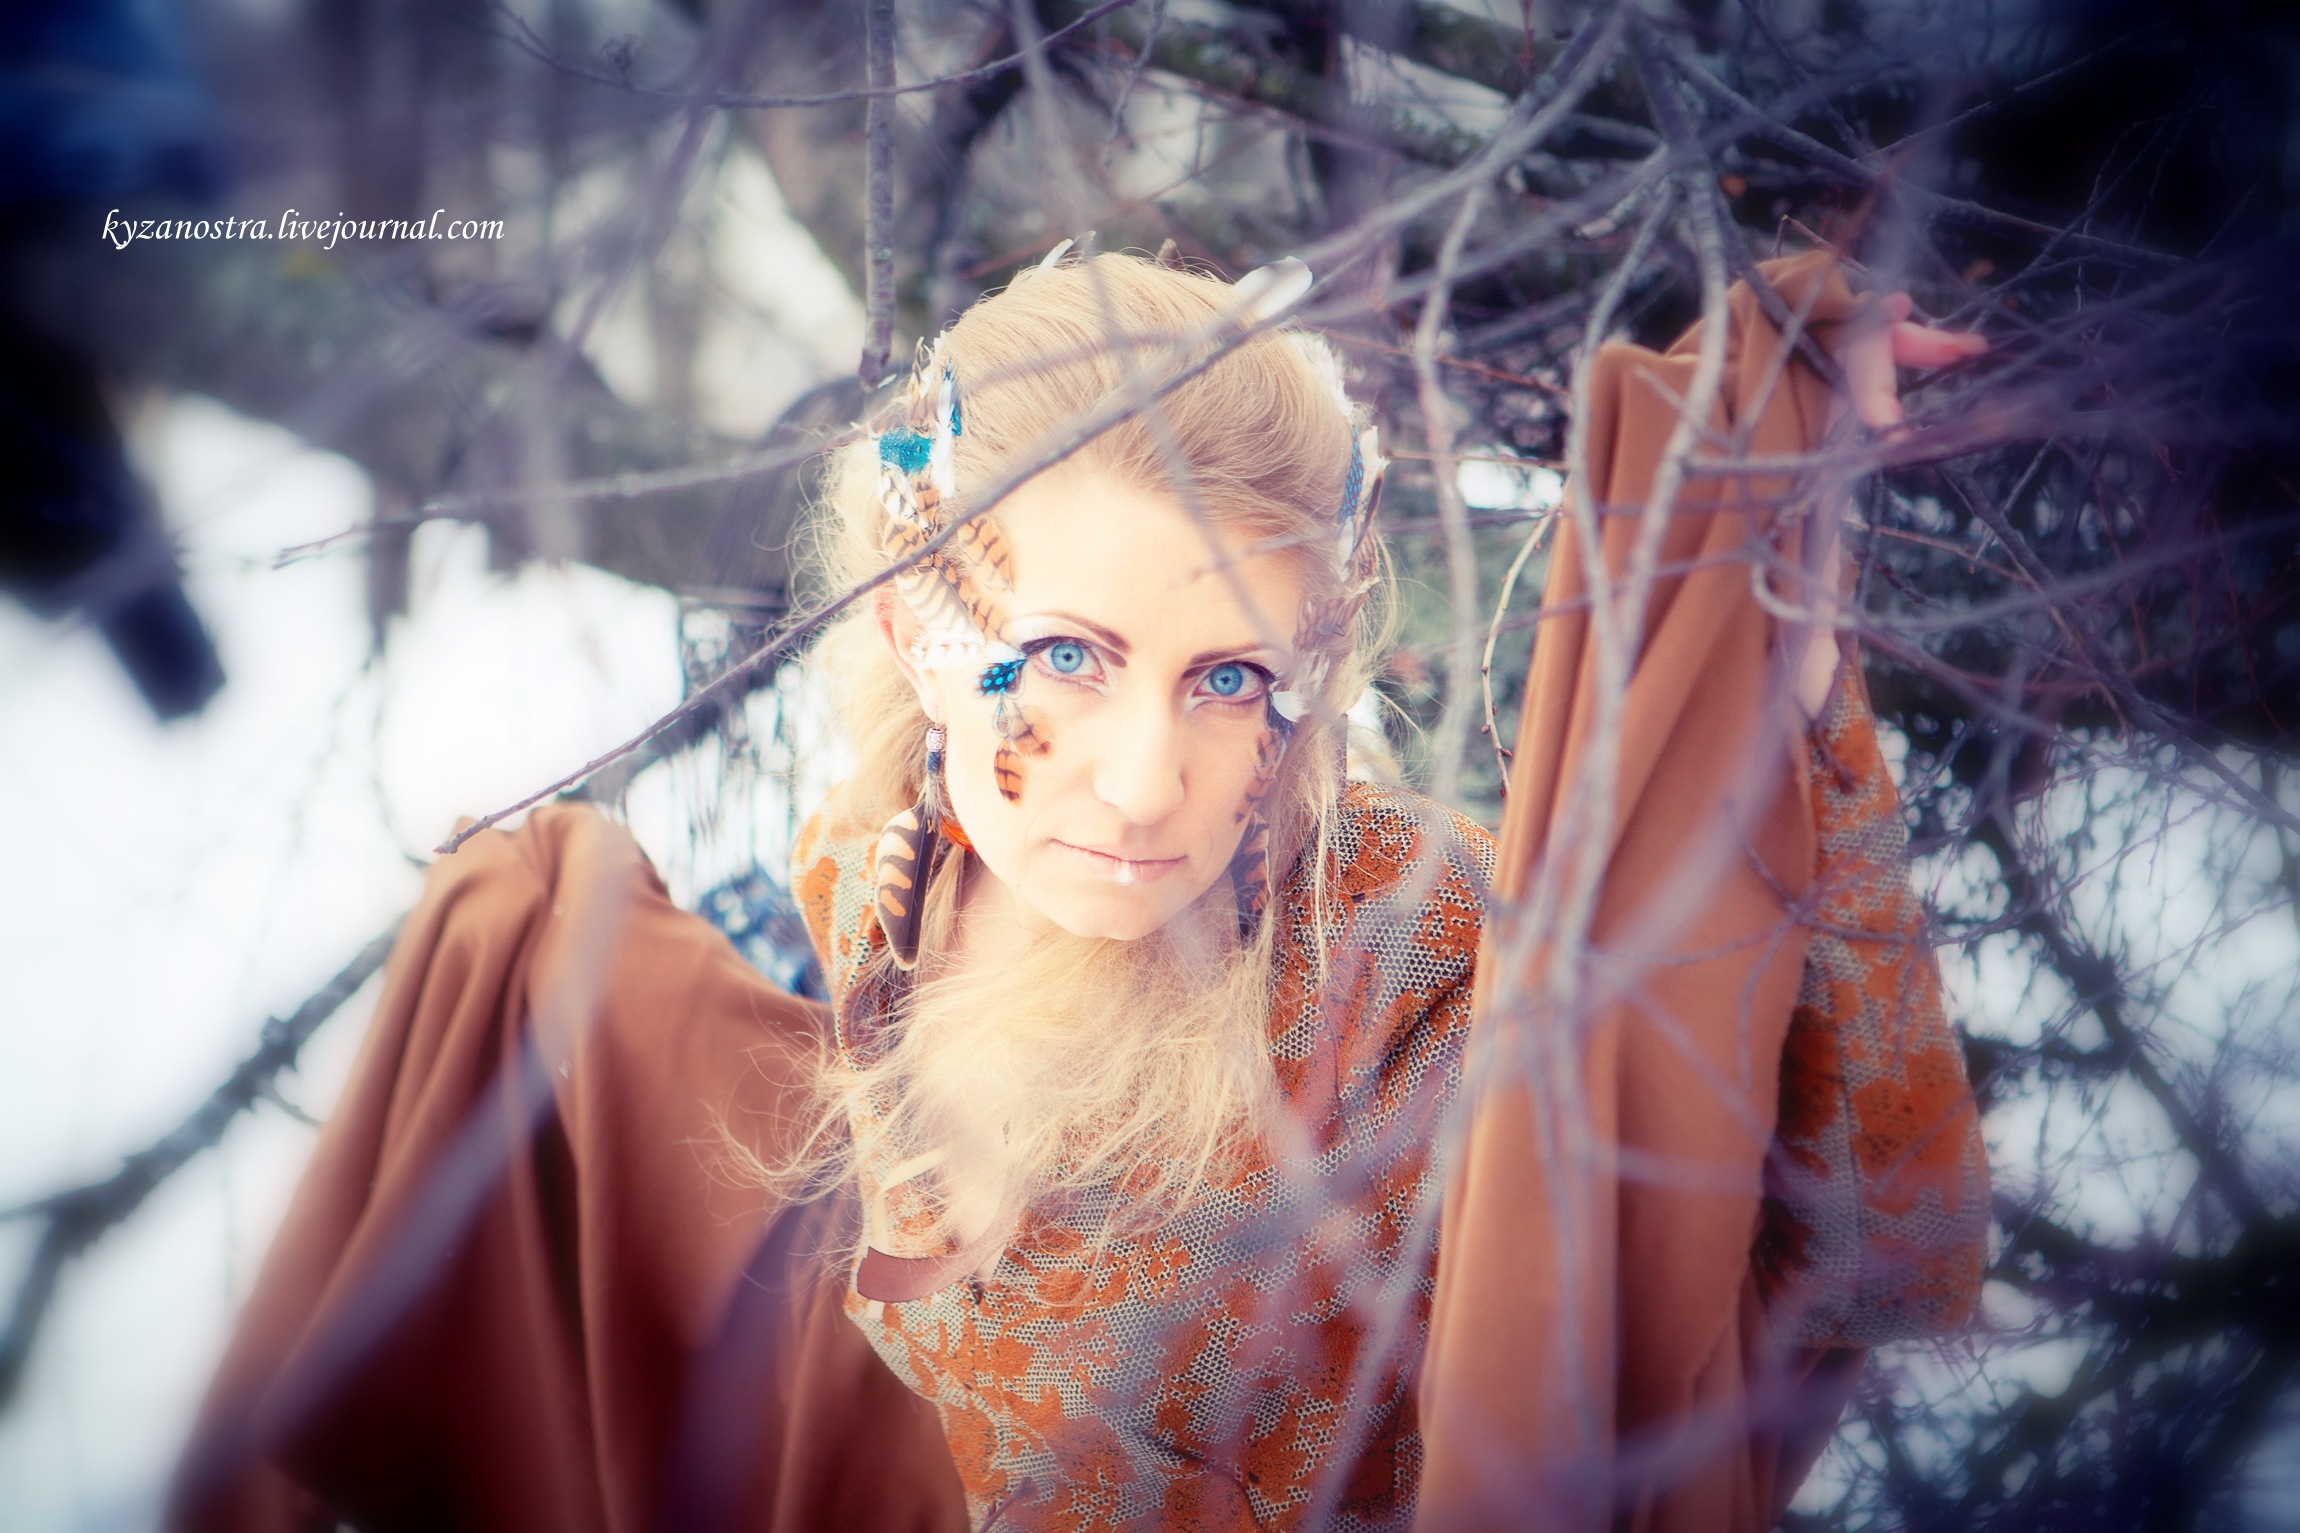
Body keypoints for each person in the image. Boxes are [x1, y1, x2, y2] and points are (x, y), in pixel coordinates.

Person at [171, 246, 1989, 1532]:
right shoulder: (877, 867)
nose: (1141, 781)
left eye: (1227, 679)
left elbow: (1859, 1252)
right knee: (534, 921)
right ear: (919, 618)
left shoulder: (1405, 963)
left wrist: (1783, 655)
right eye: (1067, 656)